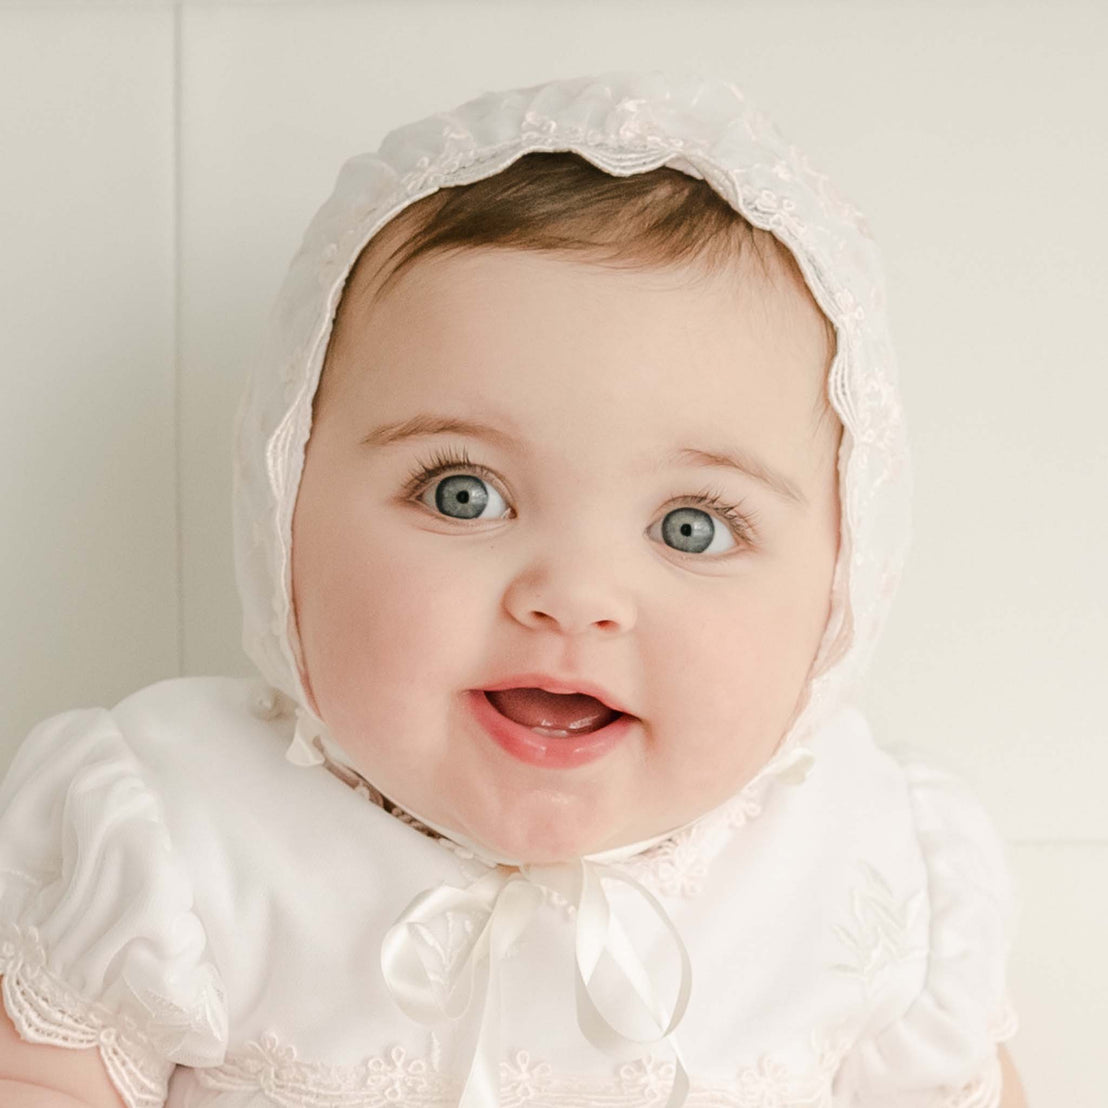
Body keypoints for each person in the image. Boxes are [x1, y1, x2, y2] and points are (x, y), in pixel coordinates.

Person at [0, 71, 1028, 1107]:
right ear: (284, 509)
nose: (573, 597)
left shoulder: (867, 855)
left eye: (691, 527)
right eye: (463, 494)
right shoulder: (180, 831)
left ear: (841, 585)